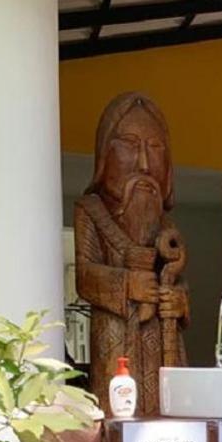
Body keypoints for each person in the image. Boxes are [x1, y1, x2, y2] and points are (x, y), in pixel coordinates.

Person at [75, 91, 190, 415]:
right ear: (105, 154)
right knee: (119, 412)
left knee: (170, 413)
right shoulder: (91, 211)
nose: (144, 163)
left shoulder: (166, 225)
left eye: (155, 148)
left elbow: (177, 278)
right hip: (115, 334)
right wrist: (128, 285)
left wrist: (179, 301)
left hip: (164, 342)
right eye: (129, 144)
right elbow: (84, 274)